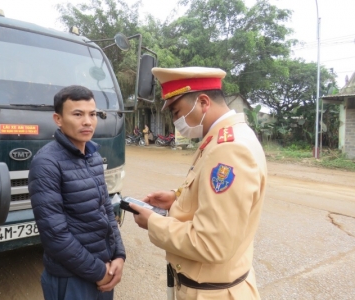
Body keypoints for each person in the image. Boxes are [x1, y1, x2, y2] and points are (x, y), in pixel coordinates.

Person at [130, 67, 267, 300]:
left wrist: (153, 222)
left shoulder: (228, 149)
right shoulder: (226, 136)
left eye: (176, 112)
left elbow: (210, 242)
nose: (175, 121)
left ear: (203, 102)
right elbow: (212, 196)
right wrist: (177, 198)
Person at [28, 85, 126, 300]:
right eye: (77, 114)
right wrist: (99, 272)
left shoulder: (93, 156)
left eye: (92, 114)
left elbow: (107, 209)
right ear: (58, 119)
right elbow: (55, 235)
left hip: (103, 268)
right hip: (71, 278)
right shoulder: (46, 163)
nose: (88, 122)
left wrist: (119, 255)